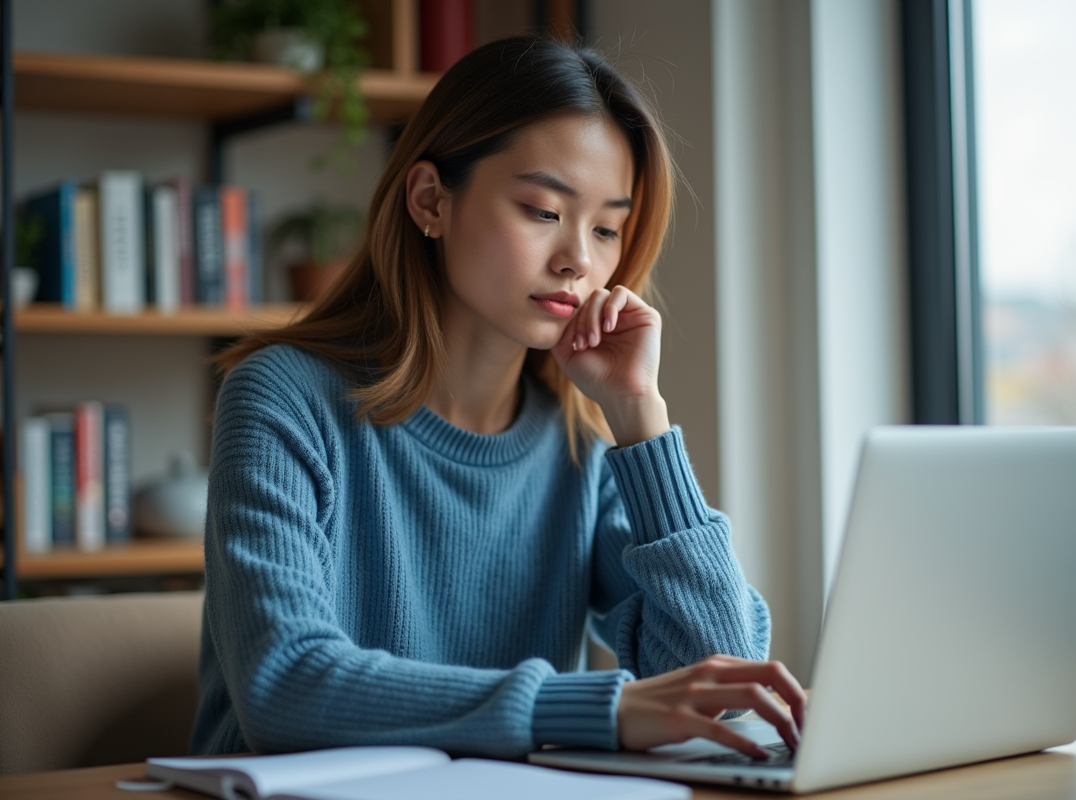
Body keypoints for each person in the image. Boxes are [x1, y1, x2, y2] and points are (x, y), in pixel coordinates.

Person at [191, 35, 806, 761]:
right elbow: (285, 688)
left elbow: (724, 676)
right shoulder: (283, 398)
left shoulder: (581, 447)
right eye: (543, 210)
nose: (579, 256)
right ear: (431, 200)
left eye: (607, 227)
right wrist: (592, 709)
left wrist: (642, 418)